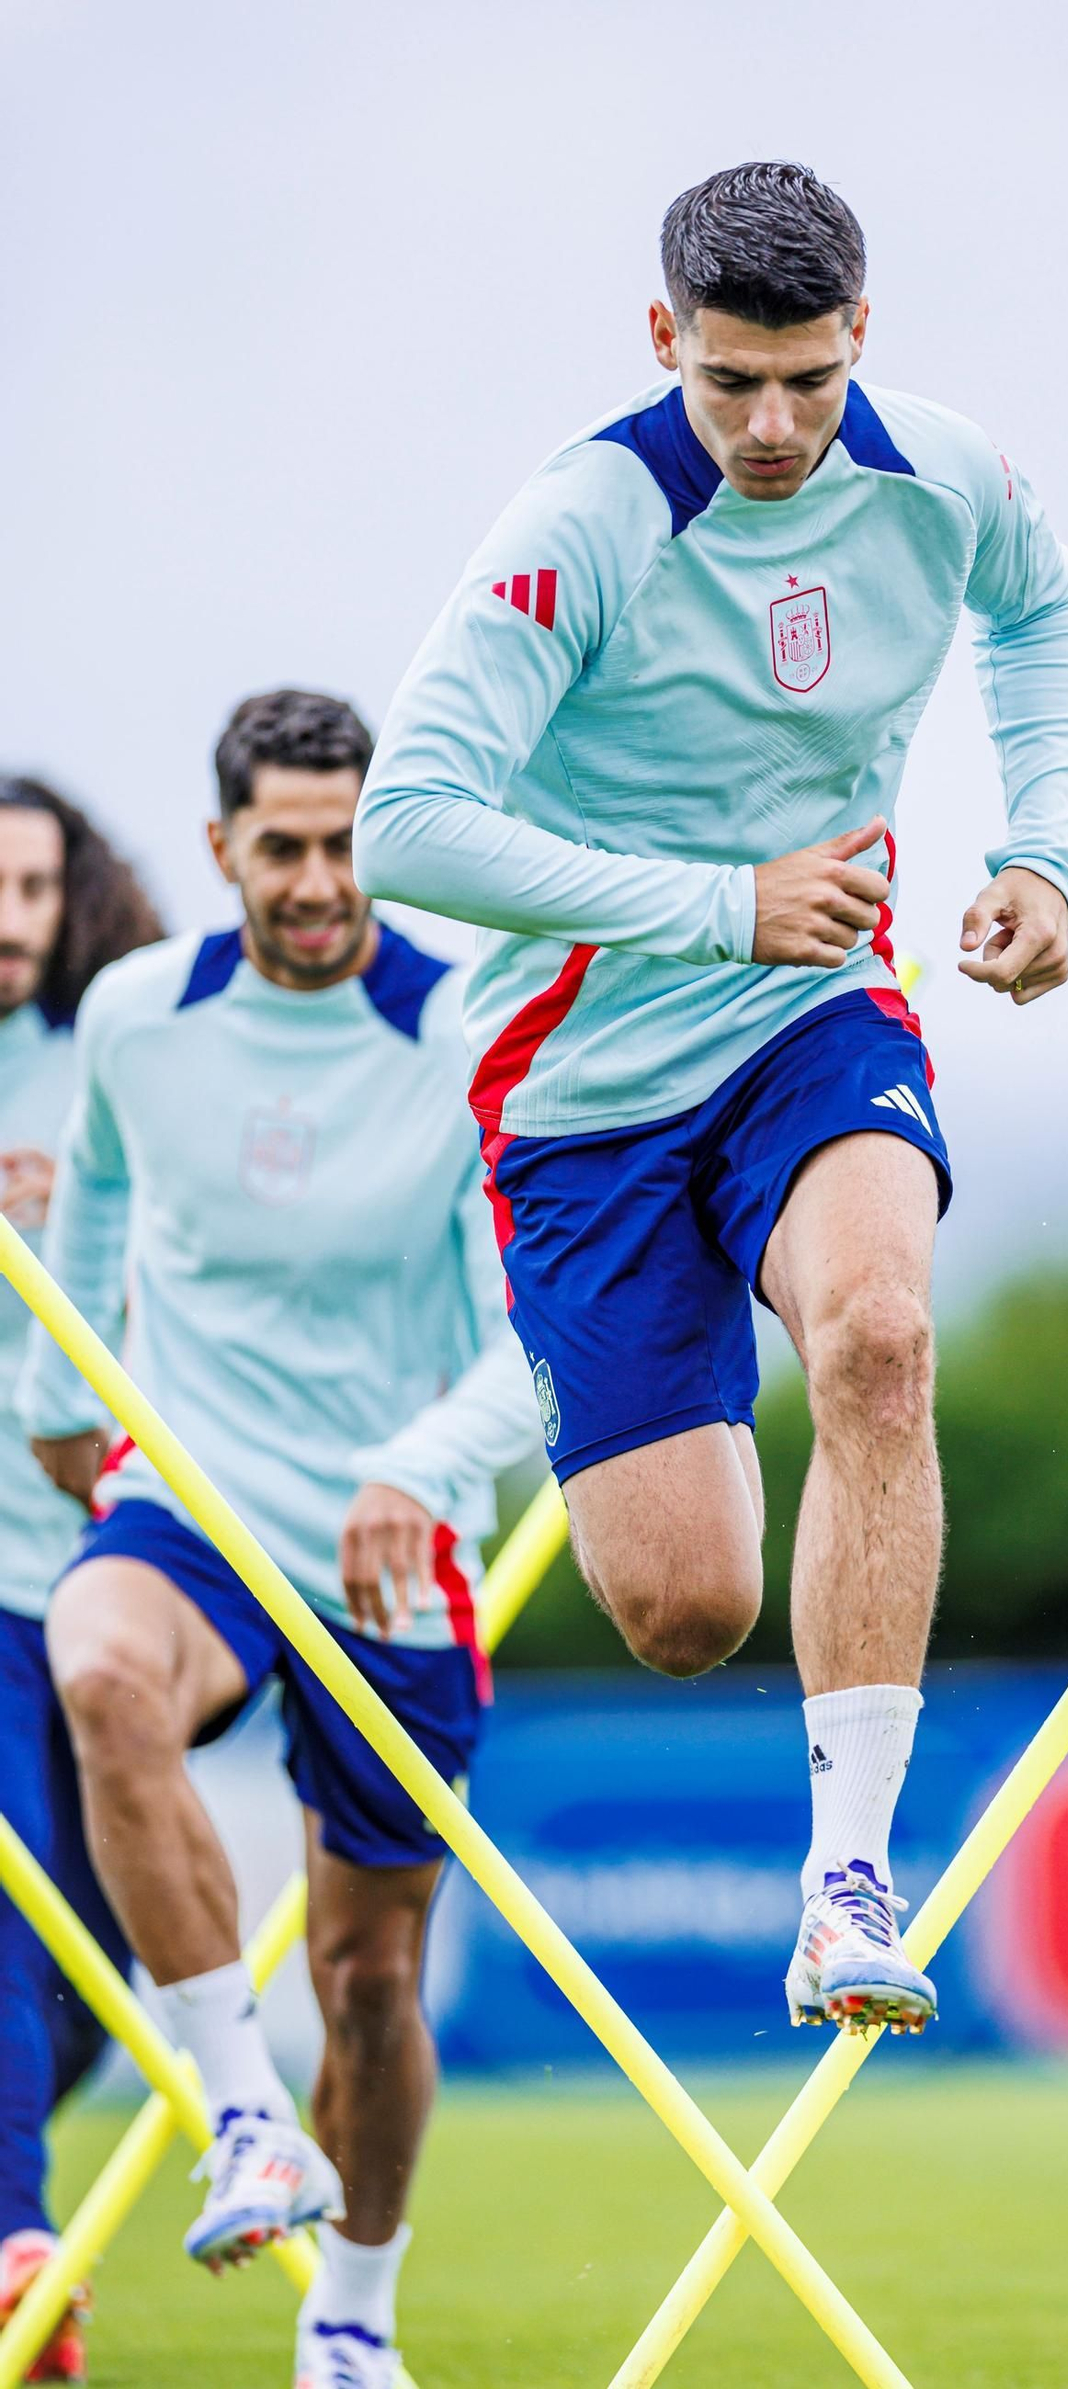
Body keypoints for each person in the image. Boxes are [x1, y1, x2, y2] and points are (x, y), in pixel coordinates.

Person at [355, 161, 1068, 2038]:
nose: (773, 428)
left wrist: (1045, 854)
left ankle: (848, 1880)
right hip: (580, 1088)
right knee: (687, 1612)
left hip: (815, 1017)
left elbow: (1041, 613)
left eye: (811, 383)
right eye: (732, 382)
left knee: (881, 1336)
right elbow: (405, 826)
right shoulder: (577, 525)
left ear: (865, 340)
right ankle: (665, 1358)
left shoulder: (947, 478)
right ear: (663, 338)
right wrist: (716, 903)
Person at [19, 692, 541, 2389]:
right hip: (192, 1495)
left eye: (349, 845)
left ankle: (353, 2320)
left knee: (371, 1976)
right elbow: (95, 1198)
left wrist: (423, 1463)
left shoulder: (478, 1028)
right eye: (286, 848)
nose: (320, 882)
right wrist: (57, 1381)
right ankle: (242, 2116)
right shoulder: (134, 1016)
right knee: (98, 1664)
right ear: (224, 846)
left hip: (397, 1548)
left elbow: (539, 1334)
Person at [0, 776, 164, 2383]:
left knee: (111, 1961)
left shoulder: (121, 1058)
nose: (6, 915)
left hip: (110, 1571)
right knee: (5, 1905)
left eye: (33, 886)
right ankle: (13, 2247)